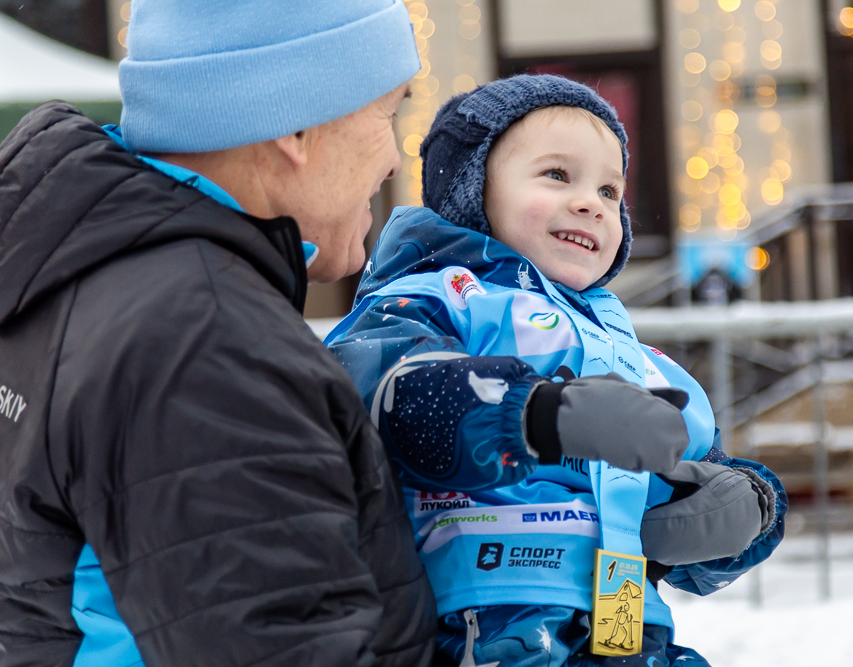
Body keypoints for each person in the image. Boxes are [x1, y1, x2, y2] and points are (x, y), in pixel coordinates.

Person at [0, 2, 437, 666]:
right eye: (389, 111)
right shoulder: (208, 344)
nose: (390, 157)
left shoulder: (94, 275)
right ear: (295, 124)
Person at [326, 75, 787, 666]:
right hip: (482, 621)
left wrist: (747, 507)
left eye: (610, 190)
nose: (591, 202)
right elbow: (380, 389)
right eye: (556, 175)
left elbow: (697, 459)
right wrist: (535, 412)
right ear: (475, 190)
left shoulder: (635, 356)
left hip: (627, 623)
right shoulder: (441, 297)